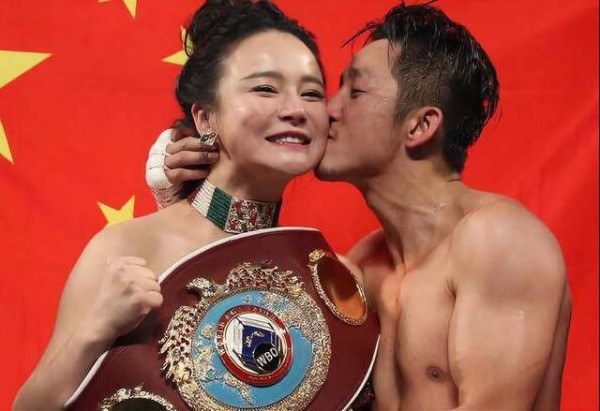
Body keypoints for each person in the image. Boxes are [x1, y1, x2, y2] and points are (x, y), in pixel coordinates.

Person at [151, 2, 572, 410]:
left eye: (355, 92)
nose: (328, 110)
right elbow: (238, 371)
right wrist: (189, 198)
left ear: (420, 125)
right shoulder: (361, 269)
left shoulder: (498, 240)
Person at [12, 1, 329, 409]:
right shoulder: (127, 250)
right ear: (206, 118)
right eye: (265, 88)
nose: (296, 110)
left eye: (312, 93)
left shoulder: (325, 273)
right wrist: (96, 328)